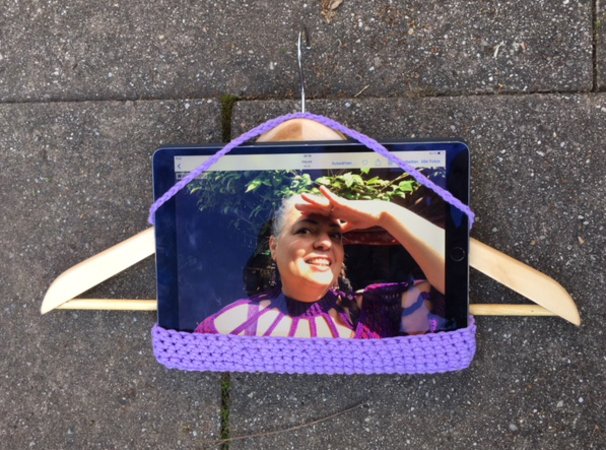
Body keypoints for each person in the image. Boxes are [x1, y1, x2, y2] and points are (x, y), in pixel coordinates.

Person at [194, 186, 448, 338]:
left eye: (335, 235)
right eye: (305, 230)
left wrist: (385, 213)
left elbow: (457, 280)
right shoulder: (233, 324)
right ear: (274, 246)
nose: (325, 243)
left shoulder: (377, 310)